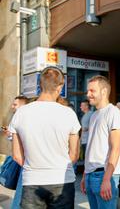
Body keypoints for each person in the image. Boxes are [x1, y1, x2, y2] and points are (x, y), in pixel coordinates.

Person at [8, 66, 81, 208]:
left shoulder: (21, 113)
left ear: (40, 84)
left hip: (32, 181)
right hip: (62, 180)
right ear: (60, 86)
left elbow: (16, 155)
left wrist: (33, 167)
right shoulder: (69, 113)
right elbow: (74, 154)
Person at [80, 75, 120, 209]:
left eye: (92, 91)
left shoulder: (113, 112)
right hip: (90, 174)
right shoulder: (94, 115)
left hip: (104, 175)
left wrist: (106, 179)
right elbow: (91, 147)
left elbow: (116, 148)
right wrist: (84, 175)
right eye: (88, 91)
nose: (88, 94)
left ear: (103, 91)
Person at [1, 96, 28, 209]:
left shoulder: (23, 118)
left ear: (23, 106)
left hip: (25, 163)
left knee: (21, 196)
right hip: (25, 163)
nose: (12, 107)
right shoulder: (19, 117)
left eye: (15, 104)